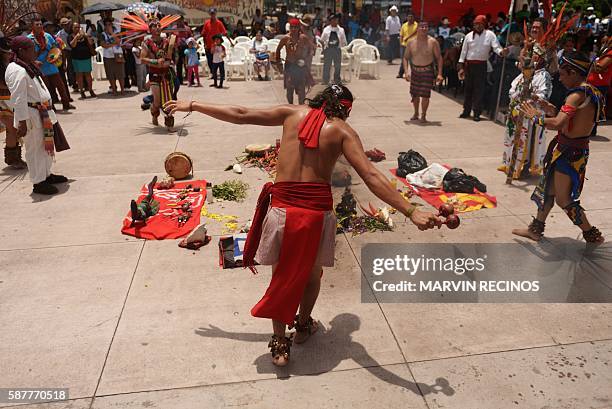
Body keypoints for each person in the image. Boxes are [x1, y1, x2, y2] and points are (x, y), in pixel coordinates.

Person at [163, 84, 442, 367]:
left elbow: (240, 113)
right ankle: (304, 325)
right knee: (311, 274)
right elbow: (370, 175)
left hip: (282, 211)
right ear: (345, 108)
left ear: (318, 99)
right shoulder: (343, 131)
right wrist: (410, 211)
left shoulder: (291, 113)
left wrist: (194, 105)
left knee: (281, 275)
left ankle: (279, 343)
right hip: (314, 217)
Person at [513, 51, 605, 244]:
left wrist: (536, 118)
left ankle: (591, 234)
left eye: (562, 74)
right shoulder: (591, 92)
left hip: (569, 153)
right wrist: (551, 110)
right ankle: (535, 229)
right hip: (571, 150)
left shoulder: (576, 95)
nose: (560, 79)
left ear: (572, 72)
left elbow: (557, 124)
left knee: (563, 200)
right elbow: (570, 122)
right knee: (548, 191)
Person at [5, 36, 68, 195]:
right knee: (34, 149)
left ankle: (46, 175)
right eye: (31, 49)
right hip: (31, 116)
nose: (35, 52)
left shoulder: (25, 65)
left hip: (42, 113)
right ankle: (38, 182)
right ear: (21, 51)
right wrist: (22, 122)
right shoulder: (16, 69)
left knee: (45, 146)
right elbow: (18, 98)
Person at [499, 52, 552, 180]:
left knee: (528, 143)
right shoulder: (521, 76)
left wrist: (532, 97)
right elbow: (512, 91)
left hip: (530, 114)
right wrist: (518, 96)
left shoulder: (544, 75)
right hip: (516, 114)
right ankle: (511, 165)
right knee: (513, 140)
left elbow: (544, 95)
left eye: (535, 56)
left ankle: (523, 168)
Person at [458, 15, 508, 121]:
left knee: (479, 90)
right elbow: (463, 52)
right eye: (476, 24)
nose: (478, 26)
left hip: (481, 65)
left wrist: (501, 52)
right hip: (469, 65)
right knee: (468, 89)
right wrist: (461, 66)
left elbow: (496, 47)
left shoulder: (490, 35)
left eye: (480, 24)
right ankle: (466, 111)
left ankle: (477, 112)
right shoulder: (468, 36)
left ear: (484, 24)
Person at [28, 18, 75, 111]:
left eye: (40, 24)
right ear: (32, 26)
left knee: (61, 86)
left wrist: (56, 55)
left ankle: (66, 104)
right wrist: (37, 57)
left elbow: (54, 47)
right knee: (46, 89)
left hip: (51, 65)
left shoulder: (47, 36)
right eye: (37, 24)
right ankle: (51, 106)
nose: (39, 26)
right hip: (40, 67)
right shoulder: (29, 39)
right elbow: (29, 55)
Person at [140, 18, 178, 128]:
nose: (157, 27)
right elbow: (142, 59)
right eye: (154, 26)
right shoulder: (146, 43)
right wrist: (156, 61)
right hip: (155, 75)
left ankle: (169, 125)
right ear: (150, 29)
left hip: (166, 74)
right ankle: (154, 113)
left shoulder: (166, 41)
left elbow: (171, 57)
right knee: (157, 102)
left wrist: (172, 50)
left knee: (168, 100)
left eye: (159, 25)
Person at [403, 21, 443, 123]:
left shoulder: (433, 42)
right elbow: (405, 58)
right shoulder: (411, 42)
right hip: (415, 71)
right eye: (422, 27)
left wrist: (439, 74)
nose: (424, 29)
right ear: (418, 29)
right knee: (415, 95)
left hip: (427, 71)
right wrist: (406, 72)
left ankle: (423, 115)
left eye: (426, 27)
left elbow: (439, 58)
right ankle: (416, 113)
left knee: (425, 95)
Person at [1, 37, 26, 169]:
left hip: (10, 101)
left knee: (13, 130)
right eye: (6, 52)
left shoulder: (10, 64)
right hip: (3, 103)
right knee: (12, 129)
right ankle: (12, 159)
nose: (9, 53)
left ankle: (14, 157)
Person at [276, 18, 314, 104]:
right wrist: (278, 62)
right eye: (292, 27)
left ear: (299, 28)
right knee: (289, 88)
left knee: (301, 89)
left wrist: (306, 59)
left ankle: (300, 107)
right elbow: (278, 50)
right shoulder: (285, 38)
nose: (293, 29)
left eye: (295, 27)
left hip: (300, 65)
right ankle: (291, 107)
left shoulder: (303, 38)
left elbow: (311, 49)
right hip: (289, 65)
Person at [68, 21, 96, 99]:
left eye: (78, 27)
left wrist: (87, 36)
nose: (77, 29)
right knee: (79, 75)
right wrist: (76, 37)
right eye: (75, 27)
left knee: (88, 75)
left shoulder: (85, 36)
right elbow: (72, 45)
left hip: (86, 57)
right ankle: (81, 91)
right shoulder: (70, 36)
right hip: (76, 58)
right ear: (72, 29)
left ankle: (90, 90)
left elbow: (90, 43)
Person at [100, 18, 125, 95]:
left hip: (118, 54)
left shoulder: (117, 32)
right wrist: (114, 44)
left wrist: (112, 33)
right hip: (108, 57)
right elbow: (104, 45)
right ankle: (114, 90)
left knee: (120, 74)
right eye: (106, 25)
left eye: (109, 24)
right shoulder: (103, 34)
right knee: (111, 75)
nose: (108, 26)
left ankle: (122, 90)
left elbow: (118, 41)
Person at [200, 8, 227, 79]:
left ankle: (221, 74)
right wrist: (205, 44)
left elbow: (224, 32)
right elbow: (203, 34)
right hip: (208, 45)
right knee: (209, 60)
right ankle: (213, 73)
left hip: (217, 46)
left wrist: (224, 37)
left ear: (215, 14)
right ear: (210, 14)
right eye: (211, 13)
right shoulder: (206, 23)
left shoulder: (219, 23)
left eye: (213, 13)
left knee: (218, 60)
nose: (212, 15)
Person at [320, 14, 346, 86]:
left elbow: (344, 41)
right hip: (328, 50)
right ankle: (325, 80)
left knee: (337, 66)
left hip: (337, 50)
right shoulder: (326, 30)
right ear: (330, 21)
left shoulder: (341, 30)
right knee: (327, 66)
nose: (334, 21)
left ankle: (337, 80)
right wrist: (324, 48)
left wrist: (340, 45)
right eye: (333, 20)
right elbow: (322, 40)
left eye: (336, 19)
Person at [56, 17, 77, 93]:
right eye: (64, 25)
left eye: (68, 24)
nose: (67, 26)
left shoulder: (74, 30)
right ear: (62, 26)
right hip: (66, 51)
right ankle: (73, 84)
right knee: (70, 68)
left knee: (78, 67)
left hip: (76, 50)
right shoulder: (60, 34)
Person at [397, 12, 418, 78]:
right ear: (407, 17)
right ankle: (400, 73)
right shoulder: (404, 25)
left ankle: (414, 74)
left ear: (413, 18)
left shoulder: (416, 25)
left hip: (413, 45)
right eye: (409, 17)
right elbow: (401, 35)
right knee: (404, 60)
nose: (410, 18)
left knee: (412, 61)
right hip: (405, 45)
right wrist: (401, 43)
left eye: (411, 17)